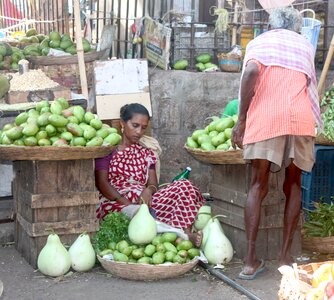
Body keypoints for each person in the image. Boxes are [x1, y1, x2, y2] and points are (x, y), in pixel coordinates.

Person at [231, 7, 322, 280]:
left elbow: (250, 74)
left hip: (267, 117)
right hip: (299, 118)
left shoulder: (260, 42)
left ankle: (249, 262)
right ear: (295, 27)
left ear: (271, 25)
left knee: (257, 185)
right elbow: (308, 83)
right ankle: (284, 257)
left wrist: (241, 119)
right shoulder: (304, 45)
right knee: (293, 184)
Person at [95, 103, 206, 245]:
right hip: (116, 203)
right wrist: (129, 204)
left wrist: (148, 190)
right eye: (135, 125)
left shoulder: (147, 153)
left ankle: (184, 231)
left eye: (143, 128)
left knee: (184, 186)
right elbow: (102, 183)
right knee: (137, 216)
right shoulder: (108, 150)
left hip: (145, 202)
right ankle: (175, 235)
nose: (139, 132)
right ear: (123, 123)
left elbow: (153, 183)